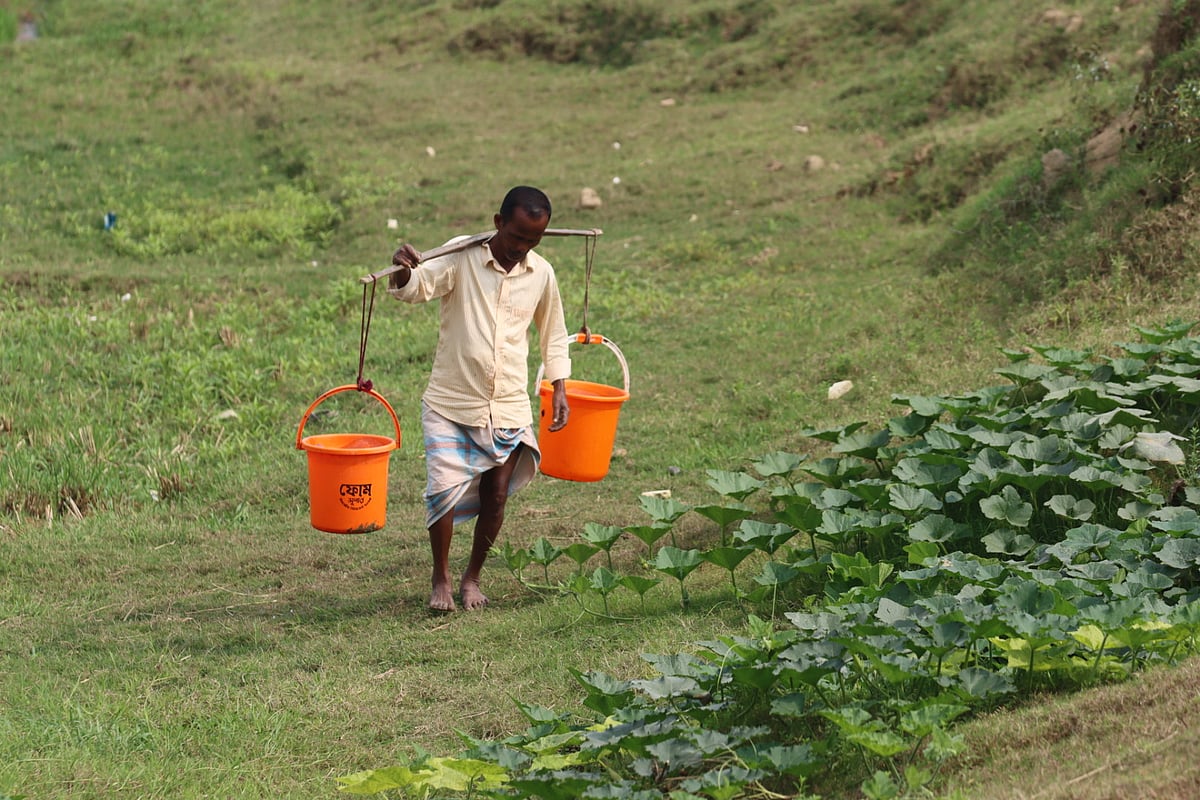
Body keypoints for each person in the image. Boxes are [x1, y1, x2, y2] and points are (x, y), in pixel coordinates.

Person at [387, 186, 571, 612]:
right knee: (443, 492)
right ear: (498, 222)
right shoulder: (461, 255)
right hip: (451, 401)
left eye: (532, 241)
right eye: (516, 237)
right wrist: (403, 269)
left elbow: (553, 332)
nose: (521, 249)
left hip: (508, 402)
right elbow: (416, 287)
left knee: (498, 494)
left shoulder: (540, 273)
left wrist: (559, 386)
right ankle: (442, 578)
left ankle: (472, 577)